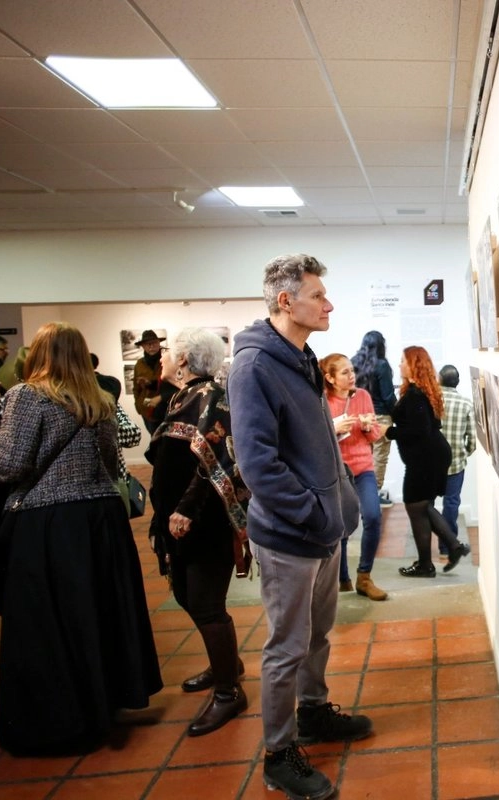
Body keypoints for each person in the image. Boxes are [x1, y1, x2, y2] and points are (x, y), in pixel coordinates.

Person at [0, 322, 162, 756]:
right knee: (98, 613)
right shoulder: (99, 398)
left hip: (48, 521)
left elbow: (9, 467)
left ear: (38, 353)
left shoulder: (27, 396)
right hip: (100, 517)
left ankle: (61, 718)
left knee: (50, 622)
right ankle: (103, 702)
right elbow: (109, 461)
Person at [230, 254, 371, 800]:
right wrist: (313, 512)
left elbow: (315, 446)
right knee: (287, 646)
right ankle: (278, 753)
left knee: (317, 636)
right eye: (318, 295)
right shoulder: (255, 367)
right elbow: (258, 464)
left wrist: (338, 509)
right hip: (291, 535)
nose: (328, 303)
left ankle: (313, 714)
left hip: (323, 530)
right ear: (286, 301)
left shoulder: (301, 357)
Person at [147, 327, 252, 737]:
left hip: (202, 520)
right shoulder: (182, 396)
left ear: (186, 359)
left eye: (169, 352)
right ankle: (226, 663)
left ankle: (228, 691)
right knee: (186, 595)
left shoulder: (210, 396)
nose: (163, 358)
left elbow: (214, 459)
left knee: (206, 603)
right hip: (177, 520)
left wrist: (186, 509)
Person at [386, 346, 470, 578]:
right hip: (430, 456)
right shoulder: (420, 391)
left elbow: (419, 430)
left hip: (426, 459)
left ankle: (426, 564)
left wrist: (389, 431)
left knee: (415, 507)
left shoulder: (415, 395)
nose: (399, 363)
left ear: (413, 364)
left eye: (403, 360)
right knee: (422, 507)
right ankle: (453, 547)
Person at [321, 353, 388, 600]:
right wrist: (333, 428)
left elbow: (374, 436)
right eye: (345, 373)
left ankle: (364, 576)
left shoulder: (362, 396)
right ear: (329, 377)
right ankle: (343, 579)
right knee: (342, 527)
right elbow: (315, 441)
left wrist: (370, 427)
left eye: (352, 371)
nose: (352, 377)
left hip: (362, 468)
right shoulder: (322, 401)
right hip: (337, 472)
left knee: (372, 516)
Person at [351, 331, 397, 507]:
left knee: (363, 455)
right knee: (379, 457)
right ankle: (373, 495)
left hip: (359, 416)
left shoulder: (354, 361)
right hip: (380, 417)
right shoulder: (382, 365)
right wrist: (399, 414)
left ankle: (361, 493)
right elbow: (387, 396)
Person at [437, 364, 476, 559]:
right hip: (455, 464)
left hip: (431, 464)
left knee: (425, 504)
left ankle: (426, 549)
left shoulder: (431, 401)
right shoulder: (466, 404)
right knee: (451, 504)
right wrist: (463, 454)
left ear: (439, 380)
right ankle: (447, 546)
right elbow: (473, 440)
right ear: (457, 382)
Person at [132, 329, 165, 433]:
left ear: (159, 343)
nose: (151, 346)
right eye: (147, 344)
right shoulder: (139, 364)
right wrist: (138, 404)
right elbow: (136, 388)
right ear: (142, 346)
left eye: (154, 343)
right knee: (154, 438)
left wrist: (150, 383)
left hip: (165, 406)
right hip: (146, 409)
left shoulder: (166, 360)